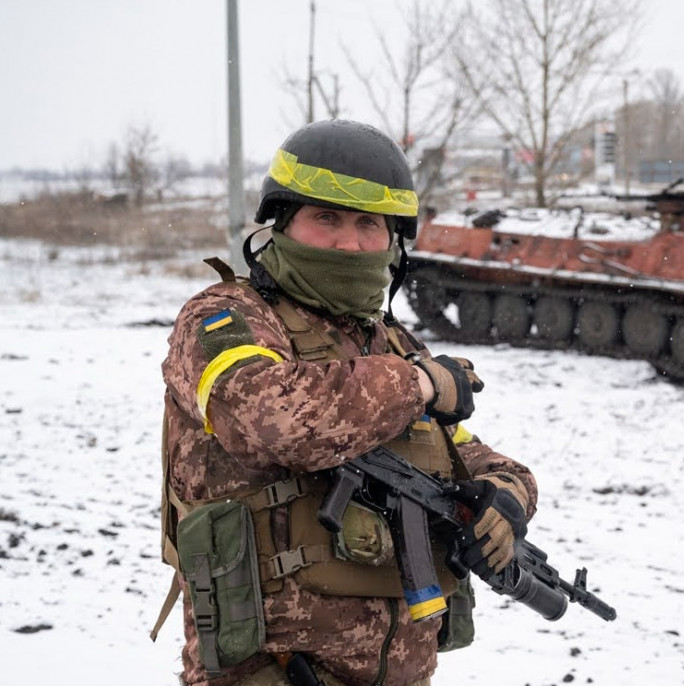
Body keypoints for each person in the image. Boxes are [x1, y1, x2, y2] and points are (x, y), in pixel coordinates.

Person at [155, 119, 538, 686]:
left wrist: (507, 496)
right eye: (325, 218)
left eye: (368, 224)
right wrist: (420, 385)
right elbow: (264, 419)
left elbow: (465, 454)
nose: (348, 243)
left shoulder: (394, 344)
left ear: (393, 241)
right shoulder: (225, 318)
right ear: (282, 223)